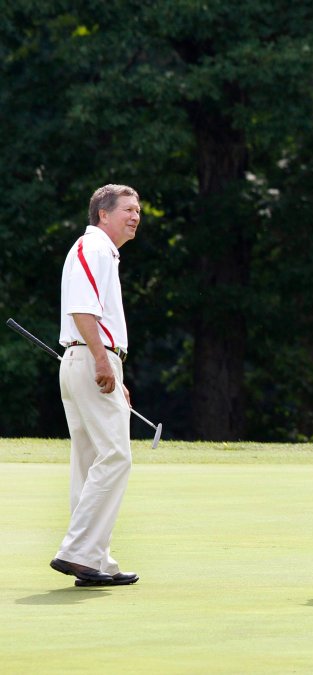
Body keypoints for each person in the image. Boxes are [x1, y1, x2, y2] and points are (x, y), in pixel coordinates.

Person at [50, 184, 143, 588]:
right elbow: (82, 308)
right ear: (102, 215)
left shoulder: (102, 251)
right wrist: (104, 362)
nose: (136, 216)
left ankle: (95, 559)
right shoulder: (95, 248)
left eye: (138, 210)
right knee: (116, 456)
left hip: (87, 359)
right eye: (128, 209)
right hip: (90, 358)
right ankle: (78, 552)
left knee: (90, 463)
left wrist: (113, 369)